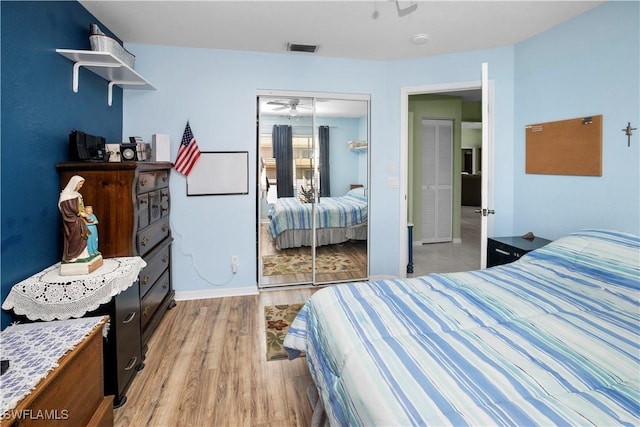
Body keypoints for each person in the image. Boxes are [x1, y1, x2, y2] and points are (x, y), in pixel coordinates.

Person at [58, 175, 90, 262]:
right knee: (74, 238)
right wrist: (80, 214)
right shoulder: (65, 196)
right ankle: (72, 255)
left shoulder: (77, 195)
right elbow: (68, 210)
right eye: (80, 184)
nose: (81, 186)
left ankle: (83, 255)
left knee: (83, 237)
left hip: (79, 220)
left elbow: (80, 206)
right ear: (74, 184)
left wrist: (83, 214)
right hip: (72, 222)